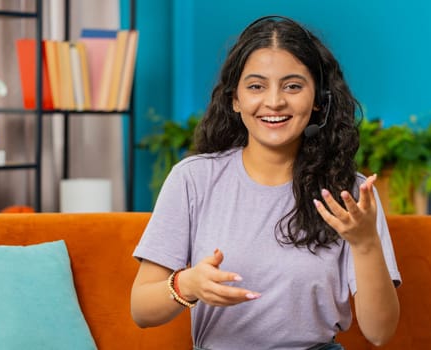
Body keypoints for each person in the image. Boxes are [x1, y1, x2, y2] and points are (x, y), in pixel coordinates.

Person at [131, 15, 401, 350]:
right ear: (235, 99)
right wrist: (188, 284)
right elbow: (141, 309)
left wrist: (365, 243)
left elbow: (380, 332)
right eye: (256, 86)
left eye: (293, 86)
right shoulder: (193, 179)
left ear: (318, 100)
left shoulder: (349, 194)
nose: (274, 101)